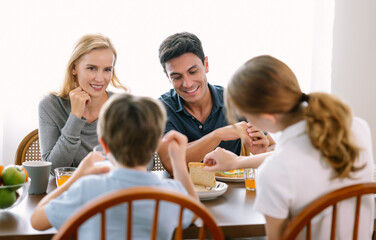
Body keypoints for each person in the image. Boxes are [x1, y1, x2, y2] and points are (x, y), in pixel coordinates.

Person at [203, 55, 374, 239]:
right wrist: (237, 161)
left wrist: (240, 161)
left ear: (268, 117)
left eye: (247, 117)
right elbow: (298, 158)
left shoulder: (274, 172)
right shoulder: (356, 127)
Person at [31, 93, 198, 239]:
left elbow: (37, 220)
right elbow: (194, 211)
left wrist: (77, 176)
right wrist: (178, 162)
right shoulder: (172, 194)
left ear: (103, 144)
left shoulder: (87, 188)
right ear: (156, 146)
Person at [157, 32, 275, 174]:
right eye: (176, 77)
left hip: (231, 194)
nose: (187, 83)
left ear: (206, 65)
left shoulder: (234, 100)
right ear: (167, 76)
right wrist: (217, 135)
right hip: (181, 194)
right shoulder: (161, 109)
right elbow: (171, 163)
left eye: (193, 71)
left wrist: (260, 152)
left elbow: (272, 149)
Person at [38, 33, 127, 172]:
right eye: (92, 68)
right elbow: (52, 169)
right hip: (71, 191)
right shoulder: (50, 106)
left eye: (107, 70)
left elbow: (146, 163)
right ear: (74, 68)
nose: (100, 78)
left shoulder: (122, 106)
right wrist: (75, 117)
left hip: (113, 189)